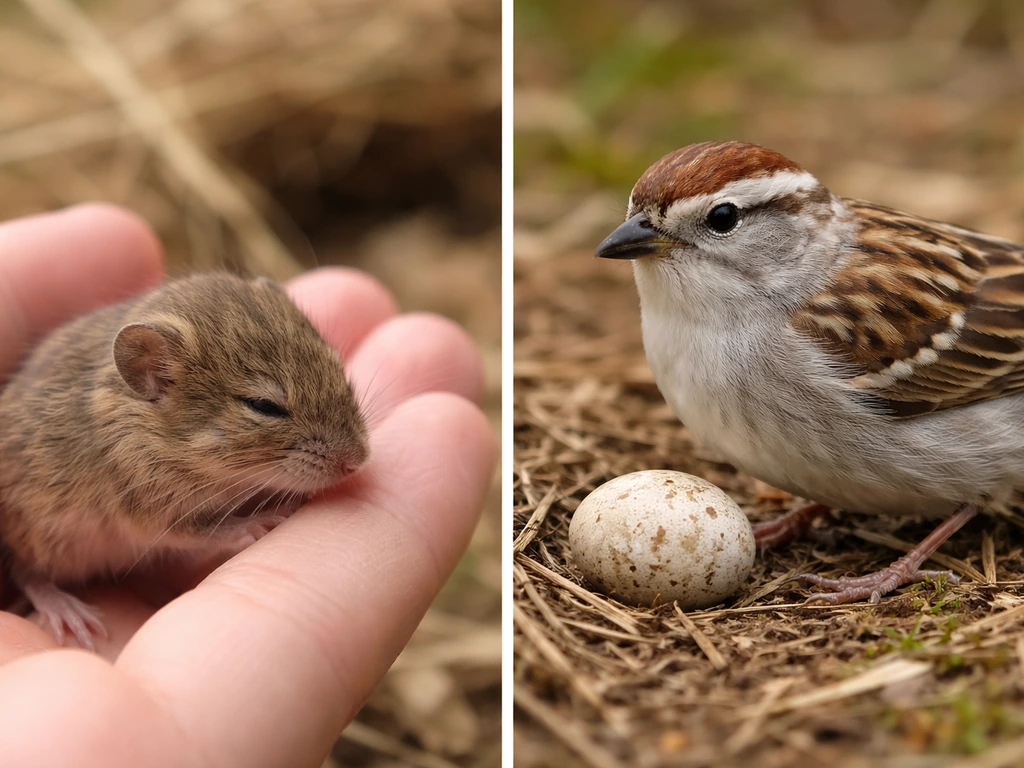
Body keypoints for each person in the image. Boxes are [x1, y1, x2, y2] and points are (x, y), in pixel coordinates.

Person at [0, 204, 497, 766]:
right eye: (266, 407)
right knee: (49, 548)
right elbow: (152, 519)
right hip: (45, 522)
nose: (351, 455)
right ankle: (33, 581)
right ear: (155, 376)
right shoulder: (134, 433)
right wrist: (230, 524)